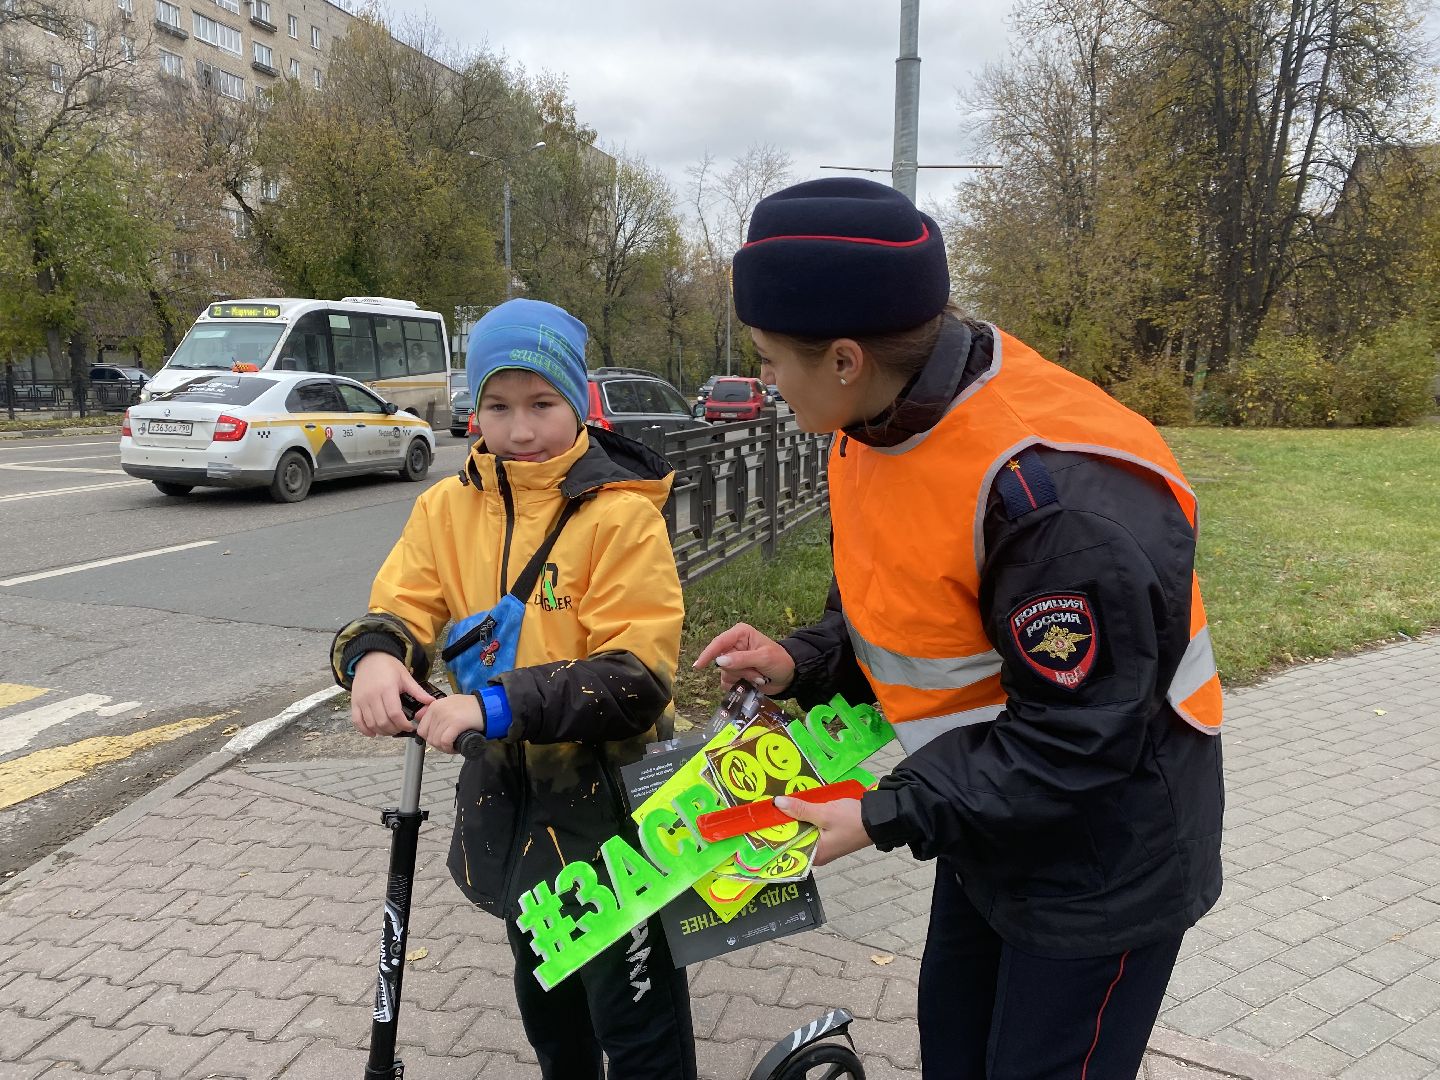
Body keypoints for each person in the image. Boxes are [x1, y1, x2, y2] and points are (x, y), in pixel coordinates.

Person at [695, 178, 1223, 1080]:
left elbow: (1079, 737)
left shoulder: (1049, 499)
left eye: (770, 360)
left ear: (847, 358)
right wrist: (802, 660)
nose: (766, 383)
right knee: (956, 1053)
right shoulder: (870, 426)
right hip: (994, 827)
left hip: (1104, 860)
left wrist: (880, 810)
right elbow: (899, 614)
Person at [332, 297, 696, 1080]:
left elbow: (637, 677)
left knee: (637, 1021)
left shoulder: (621, 518)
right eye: (498, 406)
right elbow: (402, 604)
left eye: (542, 404)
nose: (521, 430)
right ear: (474, 408)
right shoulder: (447, 507)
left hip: (614, 815)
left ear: (581, 404)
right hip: (512, 807)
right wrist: (374, 656)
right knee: (550, 1011)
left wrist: (494, 705)